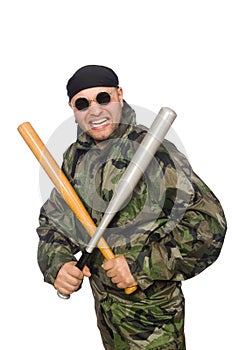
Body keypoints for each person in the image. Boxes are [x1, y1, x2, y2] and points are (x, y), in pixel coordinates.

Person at [37, 65, 227, 349]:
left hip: (153, 322)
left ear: (119, 95)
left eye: (103, 98)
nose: (95, 110)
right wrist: (58, 263)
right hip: (108, 319)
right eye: (82, 103)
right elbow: (55, 221)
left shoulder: (153, 152)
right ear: (72, 109)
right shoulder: (77, 157)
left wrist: (140, 266)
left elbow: (209, 227)